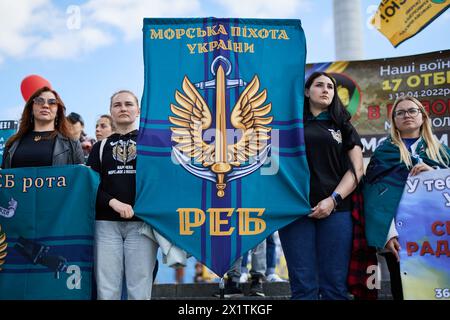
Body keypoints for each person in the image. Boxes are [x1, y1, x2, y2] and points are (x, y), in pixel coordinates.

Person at [279, 72, 364, 300]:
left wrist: (333, 200)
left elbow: (357, 170)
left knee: (334, 286)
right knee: (302, 286)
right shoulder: (288, 126)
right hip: (295, 211)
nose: (326, 90)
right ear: (307, 92)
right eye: (319, 85)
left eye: (330, 86)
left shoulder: (344, 126)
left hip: (337, 211)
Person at [364, 96, 450, 300]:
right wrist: (388, 234)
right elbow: (372, 195)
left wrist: (433, 173)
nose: (406, 115)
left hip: (438, 234)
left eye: (412, 110)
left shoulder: (443, 153)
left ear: (423, 116)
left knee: (439, 287)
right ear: (394, 120)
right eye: (400, 112)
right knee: (402, 290)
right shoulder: (383, 153)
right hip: (399, 236)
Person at [87, 90, 158, 300]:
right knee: (107, 289)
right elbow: (91, 186)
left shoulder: (152, 143)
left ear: (137, 110)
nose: (123, 108)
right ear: (111, 111)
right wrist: (113, 202)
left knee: (140, 288)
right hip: (106, 224)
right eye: (117, 105)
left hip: (142, 224)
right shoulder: (99, 147)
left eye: (128, 104)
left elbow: (161, 182)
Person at [2, 86, 84, 168]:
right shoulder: (12, 143)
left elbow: (80, 177)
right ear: (31, 107)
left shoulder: (72, 144)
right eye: (39, 101)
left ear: (58, 111)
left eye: (52, 102)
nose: (45, 105)